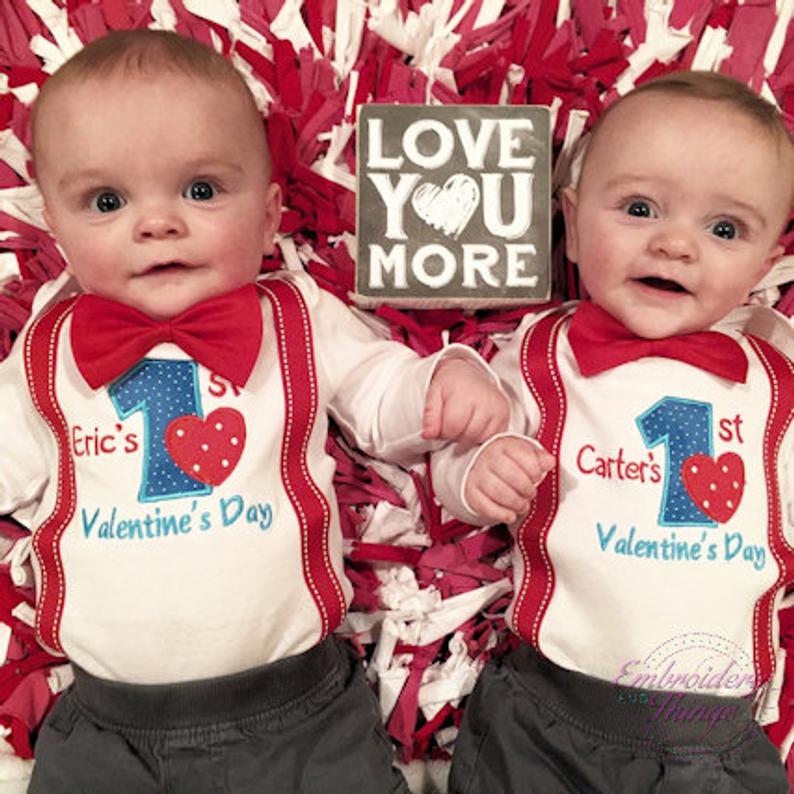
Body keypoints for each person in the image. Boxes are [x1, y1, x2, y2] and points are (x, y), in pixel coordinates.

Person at [6, 29, 510, 793]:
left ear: (271, 214)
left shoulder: (296, 317)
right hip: (112, 728)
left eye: (201, 190)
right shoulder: (49, 348)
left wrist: (444, 385)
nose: (157, 224)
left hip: (299, 712)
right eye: (106, 201)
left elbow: (379, 393)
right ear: (56, 223)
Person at [433, 70, 794, 793]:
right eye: (638, 208)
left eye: (724, 229)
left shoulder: (773, 380)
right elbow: (460, 446)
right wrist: (479, 472)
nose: (675, 246)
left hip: (712, 732)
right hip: (549, 712)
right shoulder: (543, 354)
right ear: (571, 221)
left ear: (765, 260)